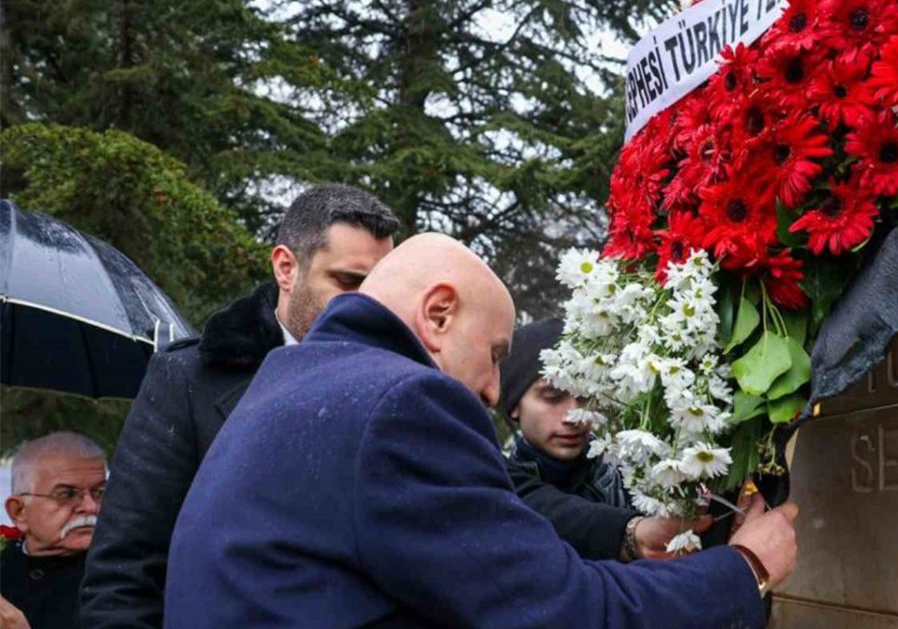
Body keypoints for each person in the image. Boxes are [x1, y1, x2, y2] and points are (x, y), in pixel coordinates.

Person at [164, 233, 798, 628]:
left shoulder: (287, 381)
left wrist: (628, 538)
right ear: (438, 314)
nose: (495, 390)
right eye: (495, 354)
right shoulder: (402, 402)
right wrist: (744, 567)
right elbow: (558, 611)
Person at [80, 184, 400, 629]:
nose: (367, 305)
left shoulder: (405, 392)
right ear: (286, 268)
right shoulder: (188, 382)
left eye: (379, 289)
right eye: (348, 282)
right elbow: (123, 576)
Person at [500, 318, 710, 562]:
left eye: (585, 397)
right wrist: (632, 533)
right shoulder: (497, 485)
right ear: (514, 406)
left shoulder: (639, 475)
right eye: (552, 397)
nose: (574, 416)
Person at [2, 432, 107, 629]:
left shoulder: (125, 574)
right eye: (66, 494)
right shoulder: (5, 562)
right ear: (19, 512)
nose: (90, 506)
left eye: (100, 492)